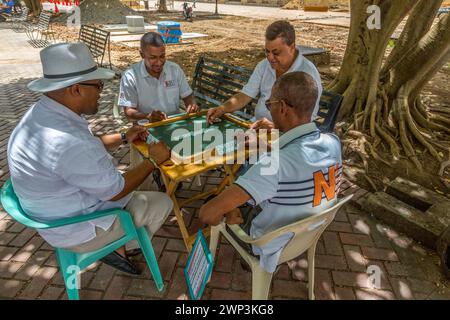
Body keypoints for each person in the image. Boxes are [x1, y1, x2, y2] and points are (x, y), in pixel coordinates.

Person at [7, 43, 173, 275]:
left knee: (136, 186)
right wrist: (153, 160)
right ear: (76, 89)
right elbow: (116, 190)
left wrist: (124, 136)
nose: (101, 91)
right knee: (163, 202)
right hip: (75, 229)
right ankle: (115, 246)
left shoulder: (42, 114)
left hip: (53, 215)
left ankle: (117, 244)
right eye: (98, 85)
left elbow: (85, 147)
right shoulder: (68, 142)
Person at [199, 72, 342, 273]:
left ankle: (248, 258)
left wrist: (229, 216)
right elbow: (297, 159)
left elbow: (208, 214)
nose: (269, 110)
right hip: (309, 231)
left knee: (214, 203)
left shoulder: (274, 165)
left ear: (282, 107)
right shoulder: (333, 143)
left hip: (269, 244)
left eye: (270, 105)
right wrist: (266, 143)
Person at [207, 20, 323, 131]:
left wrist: (274, 127)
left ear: (292, 47)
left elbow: (307, 121)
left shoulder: (307, 74)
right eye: (267, 51)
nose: (270, 58)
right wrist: (222, 109)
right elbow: (245, 95)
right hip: (256, 126)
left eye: (276, 53)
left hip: (285, 136)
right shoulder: (264, 65)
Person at [118, 31, 199, 123]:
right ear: (142, 55)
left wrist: (192, 105)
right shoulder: (130, 76)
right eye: (153, 58)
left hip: (175, 123)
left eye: (162, 56)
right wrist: (148, 116)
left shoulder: (174, 69)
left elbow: (188, 96)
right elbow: (129, 113)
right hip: (146, 128)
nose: (159, 62)